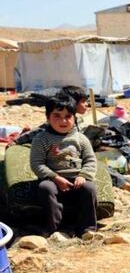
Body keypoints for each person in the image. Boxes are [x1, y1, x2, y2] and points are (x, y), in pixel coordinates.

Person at [30, 97, 98, 239]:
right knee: (45, 188)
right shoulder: (41, 139)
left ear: (75, 118)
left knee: (90, 189)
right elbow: (37, 164)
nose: (63, 121)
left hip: (77, 179)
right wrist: (55, 177)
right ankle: (55, 229)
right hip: (53, 179)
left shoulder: (81, 139)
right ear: (48, 117)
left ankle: (87, 229)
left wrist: (83, 176)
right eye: (57, 116)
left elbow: (90, 160)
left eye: (68, 116)